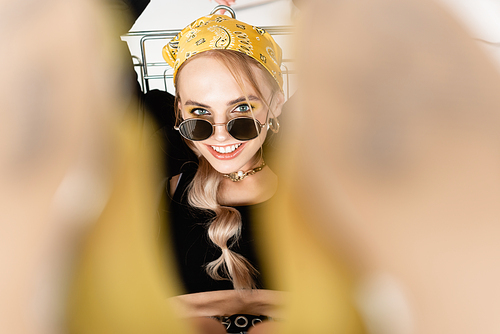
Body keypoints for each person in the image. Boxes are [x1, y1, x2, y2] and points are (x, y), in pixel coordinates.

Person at [157, 10, 286, 334]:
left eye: (242, 109)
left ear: (276, 104)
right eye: (200, 113)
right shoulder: (160, 198)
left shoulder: (318, 196)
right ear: (179, 112)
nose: (220, 135)